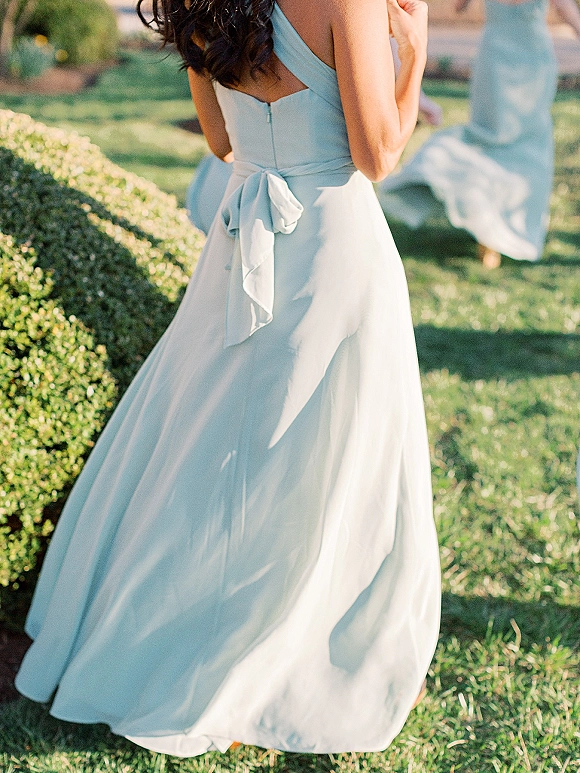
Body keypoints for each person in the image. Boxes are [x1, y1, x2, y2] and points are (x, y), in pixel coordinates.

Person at [15, 0, 441, 757]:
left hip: (238, 238)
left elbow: (218, 140)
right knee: (327, 461)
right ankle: (290, 655)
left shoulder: (199, 3)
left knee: (205, 446)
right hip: (331, 248)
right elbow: (379, 156)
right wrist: (413, 54)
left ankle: (158, 640)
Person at [378, 0, 580, 269]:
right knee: (527, 144)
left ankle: (488, 230)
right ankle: (501, 231)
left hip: (495, 57)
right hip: (532, 59)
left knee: (488, 137)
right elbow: (568, 14)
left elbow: (459, 7)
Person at [187, 38, 443, 236]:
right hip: (327, 225)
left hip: (236, 205)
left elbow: (222, 145)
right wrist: (414, 52)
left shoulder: (201, 8)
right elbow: (378, 162)